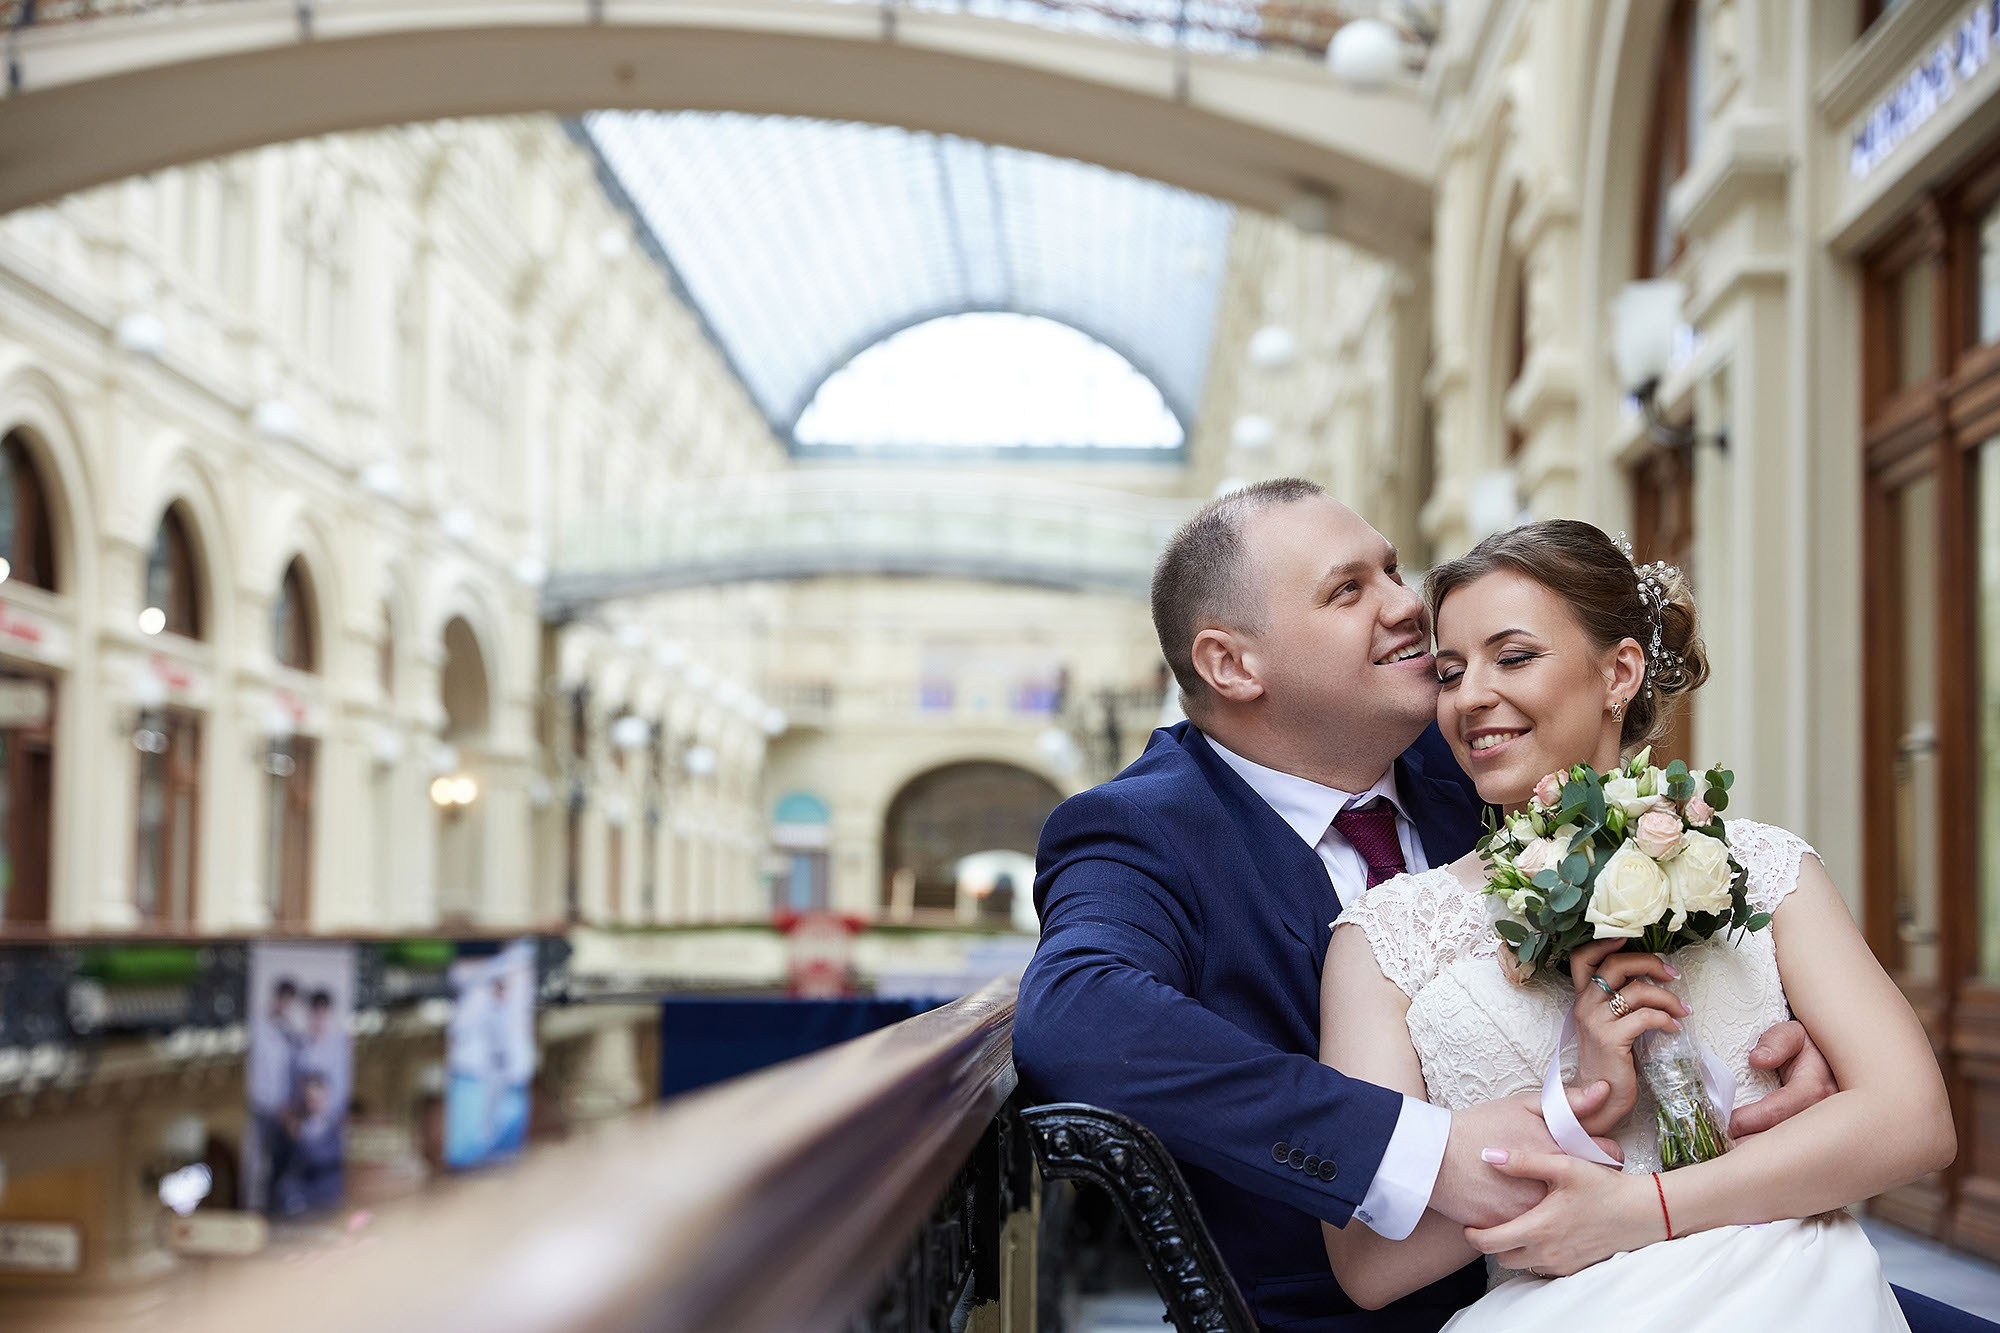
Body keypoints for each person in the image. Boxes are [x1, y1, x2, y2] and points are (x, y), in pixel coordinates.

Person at [1013, 481, 1834, 1331]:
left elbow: (1671, 909)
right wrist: (1419, 1153)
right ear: (1231, 663)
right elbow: (1076, 1016)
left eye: (1394, 570)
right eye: (1348, 589)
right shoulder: (1142, 830)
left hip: (1680, 1259)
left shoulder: (1486, 763)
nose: (1408, 604)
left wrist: (1760, 1041)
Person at [1319, 519, 1954, 1329]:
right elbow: (1368, 1264)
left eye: (1512, 657)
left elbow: (1915, 1119)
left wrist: (1647, 1208)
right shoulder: (1383, 939)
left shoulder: (1762, 866)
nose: (1470, 695)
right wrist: (1577, 1108)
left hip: (1797, 1292)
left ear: (1619, 671)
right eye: (1450, 670)